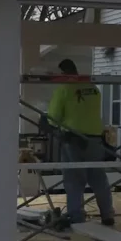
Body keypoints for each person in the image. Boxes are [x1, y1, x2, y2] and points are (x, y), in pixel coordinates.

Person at [46, 59, 115, 227]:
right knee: (98, 178)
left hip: (73, 140)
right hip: (95, 140)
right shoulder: (93, 88)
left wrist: (52, 125)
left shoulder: (63, 90)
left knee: (74, 179)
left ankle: (76, 217)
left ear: (63, 74)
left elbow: (53, 118)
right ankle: (107, 215)